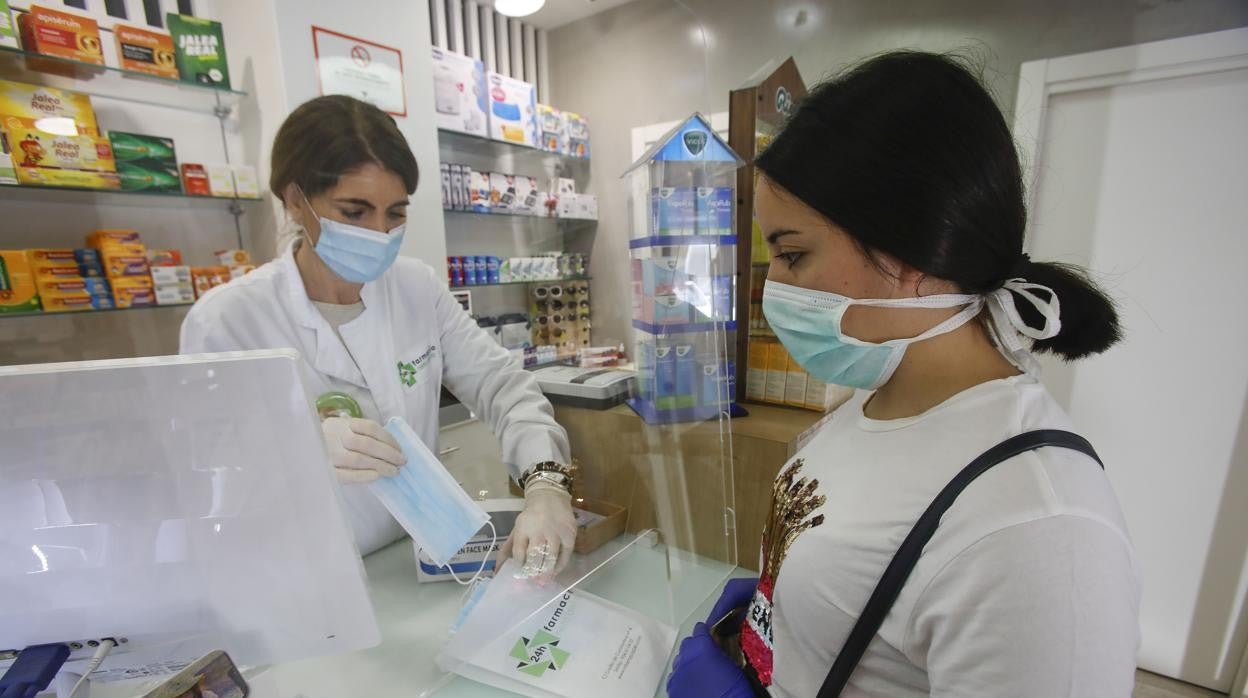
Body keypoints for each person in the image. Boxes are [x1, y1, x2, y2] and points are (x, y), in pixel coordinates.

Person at [668, 52, 1139, 697]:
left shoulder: (1038, 529)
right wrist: (787, 606)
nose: (770, 287)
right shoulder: (874, 404)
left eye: (793, 253)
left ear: (911, 249)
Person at [180, 95, 577, 578]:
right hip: (299, 573)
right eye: (355, 211)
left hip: (407, 560)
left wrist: (546, 486)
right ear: (294, 200)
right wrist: (295, 445)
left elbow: (503, 388)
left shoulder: (416, 288)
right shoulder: (229, 319)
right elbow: (207, 472)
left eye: (395, 213)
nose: (380, 232)